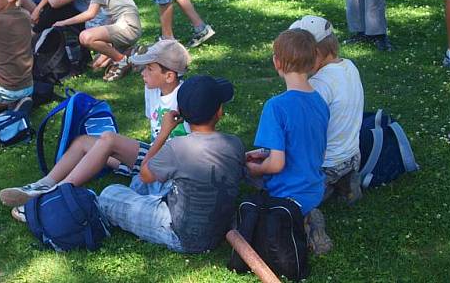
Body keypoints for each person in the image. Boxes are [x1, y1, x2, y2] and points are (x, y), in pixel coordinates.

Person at [0, 39, 192, 213]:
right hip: (152, 155)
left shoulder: (185, 98)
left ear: (169, 76)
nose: (143, 72)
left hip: (168, 168)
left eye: (150, 68)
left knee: (108, 139)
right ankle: (43, 185)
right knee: (83, 142)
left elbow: (190, 151)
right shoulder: (153, 90)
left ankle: (57, 195)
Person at [98, 75, 245, 254]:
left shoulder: (177, 147)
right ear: (219, 111)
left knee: (109, 194)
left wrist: (164, 132)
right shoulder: (235, 144)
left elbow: (144, 174)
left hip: (180, 235)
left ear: (180, 111)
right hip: (220, 230)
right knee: (151, 182)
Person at [246, 28, 331, 254]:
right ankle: (307, 215)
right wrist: (267, 154)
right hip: (314, 189)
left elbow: (277, 165)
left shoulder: (276, 107)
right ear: (314, 62)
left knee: (246, 174)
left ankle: (296, 222)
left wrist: (257, 167)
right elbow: (312, 149)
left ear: (277, 63)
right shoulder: (320, 102)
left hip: (286, 193)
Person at [289, 15, 364, 204]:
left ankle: (316, 195)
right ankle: (345, 182)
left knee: (276, 181)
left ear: (314, 53)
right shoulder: (349, 66)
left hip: (325, 165)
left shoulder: (317, 85)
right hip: (352, 156)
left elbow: (304, 134)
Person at [52, 0, 142, 82]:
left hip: (128, 26)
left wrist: (63, 22)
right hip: (123, 24)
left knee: (85, 37)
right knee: (95, 66)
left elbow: (90, 14)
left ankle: (122, 61)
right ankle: (131, 53)